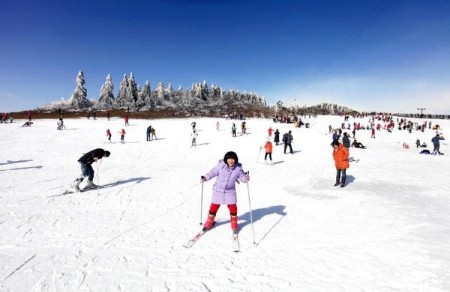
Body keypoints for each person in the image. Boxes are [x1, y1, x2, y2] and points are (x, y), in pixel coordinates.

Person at [200, 151, 250, 233]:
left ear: (235, 159)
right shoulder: (221, 165)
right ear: (226, 159)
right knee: (214, 206)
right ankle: (209, 222)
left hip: (230, 191)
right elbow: (213, 172)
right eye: (229, 158)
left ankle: (234, 224)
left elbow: (242, 177)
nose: (231, 161)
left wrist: (246, 178)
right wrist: (205, 177)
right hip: (218, 190)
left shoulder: (238, 168)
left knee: (233, 207)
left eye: (233, 159)